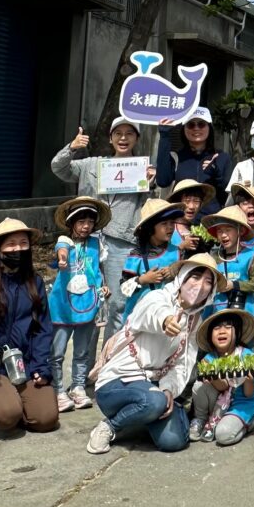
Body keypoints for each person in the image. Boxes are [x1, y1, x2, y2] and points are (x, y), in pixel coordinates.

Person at [87, 252, 227, 454]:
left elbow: (183, 364)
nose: (200, 286)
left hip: (154, 385)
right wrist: (166, 320)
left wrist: (169, 389)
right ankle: (110, 426)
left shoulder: (195, 321)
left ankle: (144, 414)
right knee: (154, 402)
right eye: (195, 277)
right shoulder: (156, 297)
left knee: (175, 441)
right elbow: (152, 312)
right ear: (183, 277)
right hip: (118, 381)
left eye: (208, 282)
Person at [50, 117, 154, 335]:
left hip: (122, 242)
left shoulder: (142, 169)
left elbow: (147, 207)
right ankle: (85, 363)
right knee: (88, 297)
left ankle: (109, 361)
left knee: (118, 302)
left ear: (137, 139)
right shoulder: (91, 164)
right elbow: (58, 168)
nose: (123, 138)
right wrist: (72, 147)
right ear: (110, 138)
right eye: (118, 133)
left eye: (129, 133)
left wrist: (150, 183)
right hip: (90, 241)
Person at [0, 217, 58, 435]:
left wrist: (41, 366)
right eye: (11, 244)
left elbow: (43, 328)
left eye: (23, 243)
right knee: (7, 417)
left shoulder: (35, 281)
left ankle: (15, 398)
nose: (18, 249)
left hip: (23, 364)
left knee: (45, 420)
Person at [48, 196, 109, 412]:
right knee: (57, 352)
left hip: (88, 303)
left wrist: (105, 285)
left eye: (90, 222)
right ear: (71, 223)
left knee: (82, 351)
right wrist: (62, 259)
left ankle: (78, 386)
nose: (86, 226)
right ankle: (57, 390)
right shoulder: (65, 240)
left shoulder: (96, 244)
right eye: (81, 222)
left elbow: (100, 269)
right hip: (63, 306)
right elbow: (61, 250)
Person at [190, 308, 254, 446]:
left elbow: (249, 393)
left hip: (241, 404)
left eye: (228, 327)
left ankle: (247, 423)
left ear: (237, 332)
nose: (222, 331)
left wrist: (249, 380)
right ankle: (201, 419)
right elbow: (222, 386)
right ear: (210, 336)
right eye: (216, 328)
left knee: (222, 436)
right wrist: (211, 374)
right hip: (218, 403)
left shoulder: (248, 357)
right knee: (199, 386)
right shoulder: (208, 359)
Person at [154, 107, 230, 215]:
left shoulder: (222, 157)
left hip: (210, 224)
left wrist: (216, 172)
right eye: (191, 125)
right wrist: (164, 136)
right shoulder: (176, 157)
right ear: (184, 129)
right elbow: (162, 181)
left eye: (201, 124)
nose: (196, 128)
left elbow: (227, 194)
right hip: (181, 222)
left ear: (209, 127)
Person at [121, 198, 183, 317]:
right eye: (164, 223)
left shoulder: (177, 252)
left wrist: (174, 271)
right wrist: (143, 279)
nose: (170, 227)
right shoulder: (136, 255)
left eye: (172, 223)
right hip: (140, 315)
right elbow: (124, 288)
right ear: (150, 228)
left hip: (169, 313)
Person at [204, 205, 254, 320]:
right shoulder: (214, 258)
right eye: (219, 231)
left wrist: (234, 285)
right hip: (218, 311)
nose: (223, 235)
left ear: (240, 231)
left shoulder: (250, 256)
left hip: (244, 311)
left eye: (228, 230)